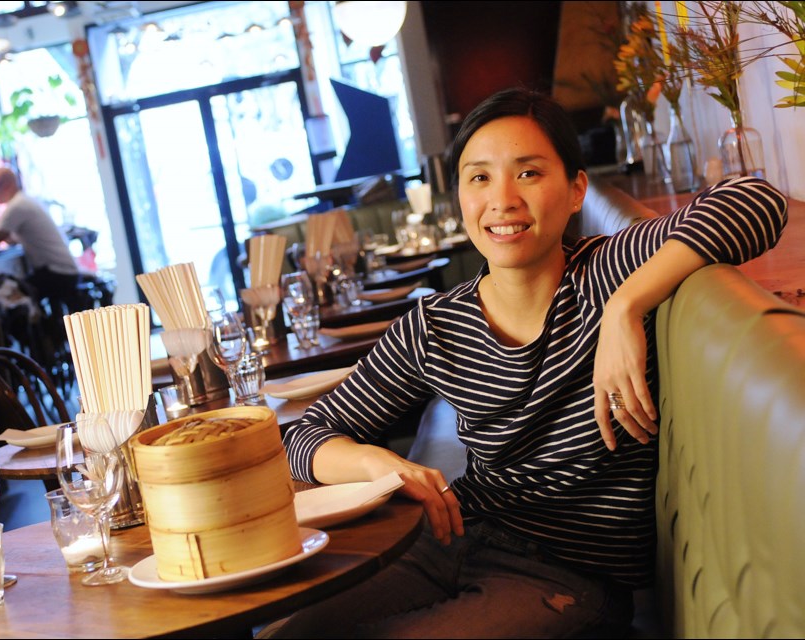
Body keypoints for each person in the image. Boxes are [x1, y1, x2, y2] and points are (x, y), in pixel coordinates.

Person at [275, 88, 787, 638]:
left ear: (575, 191)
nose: (502, 200)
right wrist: (381, 466)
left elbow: (755, 201)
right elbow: (302, 436)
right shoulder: (435, 327)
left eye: (528, 173)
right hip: (449, 541)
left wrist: (626, 306)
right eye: (479, 177)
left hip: (568, 577)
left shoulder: (607, 272)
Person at [0, 166, 81, 302]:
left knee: (7, 296)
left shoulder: (17, 206)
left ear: (7, 184)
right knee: (13, 290)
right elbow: (10, 239)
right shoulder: (25, 201)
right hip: (64, 271)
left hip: (57, 273)